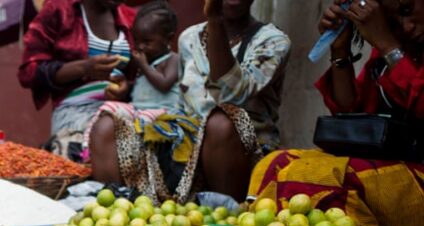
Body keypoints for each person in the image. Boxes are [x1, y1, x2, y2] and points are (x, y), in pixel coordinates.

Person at [249, 0, 424, 226]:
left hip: (416, 172)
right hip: (389, 168)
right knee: (275, 164)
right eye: (393, 21)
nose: (405, 27)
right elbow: (349, 113)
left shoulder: (392, 45)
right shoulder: (387, 52)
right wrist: (340, 49)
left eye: (408, 11)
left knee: (325, 179)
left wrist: (387, 41)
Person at [88, 0, 291, 202]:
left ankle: (227, 214)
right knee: (107, 126)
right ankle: (122, 213)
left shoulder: (272, 41)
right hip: (187, 145)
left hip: (239, 151)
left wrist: (215, 21)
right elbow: (184, 102)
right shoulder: (190, 38)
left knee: (220, 123)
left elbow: (231, 96)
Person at [18, 0, 138, 160]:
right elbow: (29, 71)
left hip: (122, 110)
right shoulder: (59, 10)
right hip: (74, 112)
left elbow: (146, 74)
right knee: (93, 150)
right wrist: (84, 68)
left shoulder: (131, 17)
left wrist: (127, 87)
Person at [80, 1, 180, 163]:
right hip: (138, 110)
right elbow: (144, 87)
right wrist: (126, 85)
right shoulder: (147, 61)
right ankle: (87, 149)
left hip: (164, 112)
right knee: (107, 109)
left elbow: (164, 83)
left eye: (147, 42)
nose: (140, 47)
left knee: (140, 123)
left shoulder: (172, 60)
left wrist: (143, 65)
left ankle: (135, 158)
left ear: (168, 39)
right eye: (137, 41)